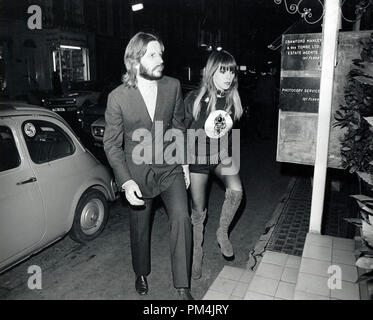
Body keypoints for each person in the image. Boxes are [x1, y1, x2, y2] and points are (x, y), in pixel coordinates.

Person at [103, 32, 193, 300]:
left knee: (181, 218)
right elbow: (111, 144)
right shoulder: (118, 97)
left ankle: (182, 285)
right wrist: (125, 180)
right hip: (137, 172)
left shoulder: (173, 86)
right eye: (153, 54)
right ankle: (141, 272)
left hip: (170, 168)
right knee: (140, 226)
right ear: (134, 61)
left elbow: (178, 128)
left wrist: (185, 163)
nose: (160, 59)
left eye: (161, 54)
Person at [184, 50, 243, 280]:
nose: (228, 76)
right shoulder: (195, 98)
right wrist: (183, 164)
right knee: (198, 212)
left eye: (231, 71)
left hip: (219, 156)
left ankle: (222, 232)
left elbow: (223, 130)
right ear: (212, 71)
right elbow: (181, 131)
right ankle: (196, 255)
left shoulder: (231, 98)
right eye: (223, 70)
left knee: (236, 192)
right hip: (197, 160)